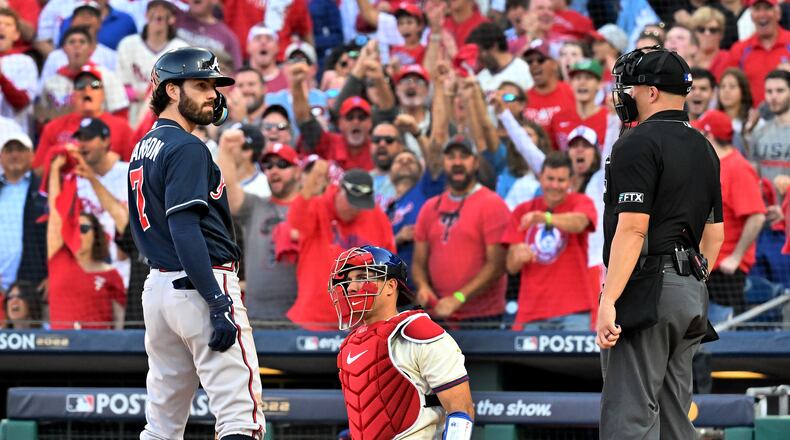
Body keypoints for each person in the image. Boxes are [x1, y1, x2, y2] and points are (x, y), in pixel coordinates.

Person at [128, 47, 265, 439]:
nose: (213, 95)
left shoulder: (143, 147)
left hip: (159, 290)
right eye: (201, 84)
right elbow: (184, 228)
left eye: (213, 86)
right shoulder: (187, 146)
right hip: (200, 284)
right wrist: (217, 301)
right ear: (172, 91)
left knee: (161, 427)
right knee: (241, 417)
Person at [598, 46, 724, 438]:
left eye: (631, 87)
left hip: (648, 288)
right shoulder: (704, 145)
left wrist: (608, 300)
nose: (625, 95)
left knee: (630, 416)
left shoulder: (636, 142)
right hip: (690, 292)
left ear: (651, 92)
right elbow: (715, 232)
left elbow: (633, 229)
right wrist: (689, 280)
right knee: (673, 418)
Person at [330, 245, 474, 440]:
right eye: (349, 281)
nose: (352, 287)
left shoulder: (419, 333)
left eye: (363, 278)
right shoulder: (351, 344)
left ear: (390, 286)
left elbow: (461, 411)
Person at [412, 136, 510, 322]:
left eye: (464, 156)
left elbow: (497, 265)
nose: (457, 162)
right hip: (439, 315)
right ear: (443, 162)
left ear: (475, 163)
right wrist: (423, 287)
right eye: (451, 157)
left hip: (482, 318)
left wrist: (458, 298)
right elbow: (418, 262)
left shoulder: (492, 204)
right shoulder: (430, 207)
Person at [287, 164, 395, 329]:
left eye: (360, 204)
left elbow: (388, 267)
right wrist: (311, 182)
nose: (355, 209)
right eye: (352, 202)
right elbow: (296, 221)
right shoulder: (319, 206)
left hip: (362, 323)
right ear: (339, 190)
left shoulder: (377, 217)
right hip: (314, 320)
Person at [503, 152, 597, 330]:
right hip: (532, 311)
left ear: (570, 181)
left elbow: (580, 222)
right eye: (550, 179)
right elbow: (511, 266)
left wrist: (545, 218)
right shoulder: (522, 211)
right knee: (527, 359)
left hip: (574, 309)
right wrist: (518, 255)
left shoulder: (581, 202)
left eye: (561, 180)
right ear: (540, 178)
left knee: (576, 359)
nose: (554, 185)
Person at [217, 133, 300, 324]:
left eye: (282, 165)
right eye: (268, 166)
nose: (274, 171)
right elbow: (227, 190)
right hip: (256, 316)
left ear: (297, 171)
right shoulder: (255, 206)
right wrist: (225, 149)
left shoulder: (310, 209)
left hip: (299, 318)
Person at [692, 110, 766, 322]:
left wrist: (736, 257)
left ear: (710, 136)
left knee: (719, 333)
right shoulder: (712, 165)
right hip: (706, 262)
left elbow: (757, 216)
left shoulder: (737, 167)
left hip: (725, 269)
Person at [47, 155, 126, 331]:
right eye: (74, 228)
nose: (78, 234)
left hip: (96, 352)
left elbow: (121, 322)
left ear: (96, 235)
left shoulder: (111, 274)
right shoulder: (58, 259)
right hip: (59, 351)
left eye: (83, 229)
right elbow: (55, 214)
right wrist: (55, 170)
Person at [116, 0, 188, 126]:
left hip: (168, 113)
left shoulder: (181, 49)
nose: (158, 12)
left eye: (164, 9)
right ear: (146, 15)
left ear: (171, 18)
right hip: (133, 114)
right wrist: (135, 94)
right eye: (154, 8)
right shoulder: (128, 44)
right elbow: (117, 85)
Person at [0, 132, 48, 297]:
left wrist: (53, 275)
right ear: (1, 157)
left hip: (34, 285)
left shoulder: (45, 189)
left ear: (31, 155)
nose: (14, 155)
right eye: (9, 150)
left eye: (20, 149)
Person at [726, 0, 790, 106]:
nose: (762, 14)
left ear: (778, 13)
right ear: (751, 16)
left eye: (767, 8)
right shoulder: (739, 50)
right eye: (757, 9)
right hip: (751, 116)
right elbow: (729, 87)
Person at [0, 8, 38, 135]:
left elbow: (22, 102)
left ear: (16, 34)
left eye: (8, 25)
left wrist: (2, 78)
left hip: (14, 136)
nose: (1, 28)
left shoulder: (24, 61)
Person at [467, 22, 533, 93]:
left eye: (480, 51)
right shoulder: (480, 79)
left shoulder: (522, 70)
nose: (478, 57)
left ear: (494, 45)